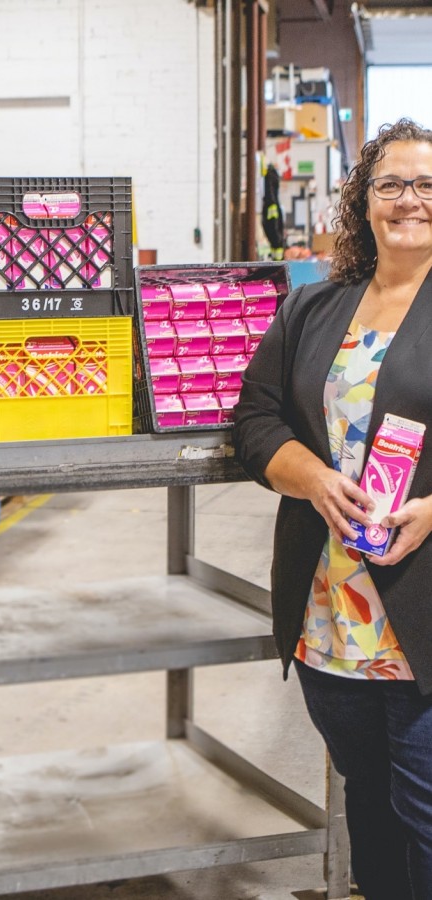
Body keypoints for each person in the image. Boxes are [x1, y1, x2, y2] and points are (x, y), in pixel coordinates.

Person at [234, 117, 432, 900]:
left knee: (424, 808)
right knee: (368, 802)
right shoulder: (316, 307)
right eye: (389, 184)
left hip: (420, 612)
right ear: (364, 201)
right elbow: (256, 417)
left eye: (426, 185)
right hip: (331, 611)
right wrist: (312, 477)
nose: (408, 200)